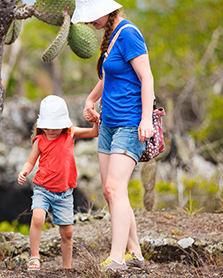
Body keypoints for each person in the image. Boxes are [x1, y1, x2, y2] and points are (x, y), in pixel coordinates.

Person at [73, 0, 155, 271]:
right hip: (107, 124)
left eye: (93, 16)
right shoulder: (112, 36)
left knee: (114, 188)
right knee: (111, 193)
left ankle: (117, 258)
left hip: (130, 124)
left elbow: (147, 79)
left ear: (108, 10)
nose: (89, 23)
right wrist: (90, 99)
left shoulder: (129, 33)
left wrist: (146, 119)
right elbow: (110, 75)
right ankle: (135, 254)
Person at [17, 95, 99, 270]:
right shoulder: (40, 141)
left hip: (65, 193)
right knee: (38, 218)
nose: (51, 130)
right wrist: (25, 170)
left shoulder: (70, 133)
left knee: (67, 233)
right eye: (47, 127)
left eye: (55, 127)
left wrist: (96, 121)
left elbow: (94, 133)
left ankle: (66, 267)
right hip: (42, 189)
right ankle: (34, 257)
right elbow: (31, 161)